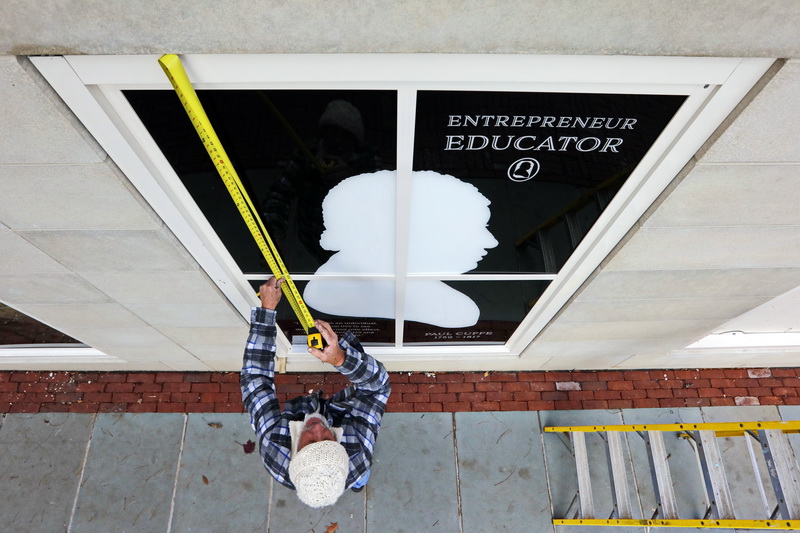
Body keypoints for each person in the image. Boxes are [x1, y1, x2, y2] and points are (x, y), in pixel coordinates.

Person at [240, 276, 391, 507]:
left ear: (295, 456)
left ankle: (358, 482)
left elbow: (256, 380)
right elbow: (378, 387)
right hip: (355, 463)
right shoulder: (356, 455)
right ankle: (359, 482)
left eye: (310, 442)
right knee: (361, 473)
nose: (319, 428)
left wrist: (266, 312)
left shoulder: (274, 450)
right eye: (329, 440)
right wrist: (341, 358)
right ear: (341, 449)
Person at [262, 100, 383, 263]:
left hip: (351, 246)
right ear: (323, 132)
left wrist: (352, 181)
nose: (337, 141)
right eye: (333, 131)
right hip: (312, 239)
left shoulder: (367, 160)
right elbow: (279, 196)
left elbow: (382, 204)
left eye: (345, 134)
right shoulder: (306, 155)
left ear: (355, 139)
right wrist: (273, 235)